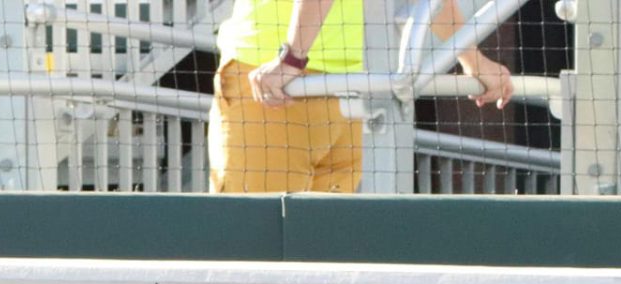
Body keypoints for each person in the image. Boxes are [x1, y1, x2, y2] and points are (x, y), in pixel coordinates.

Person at [212, 0, 512, 193]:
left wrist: (292, 57)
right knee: (321, 264)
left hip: (274, 87)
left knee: (248, 250)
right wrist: (474, 61)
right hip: (353, 91)